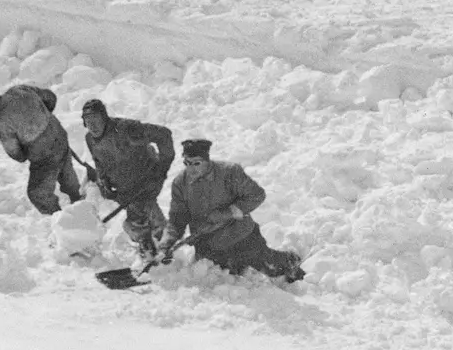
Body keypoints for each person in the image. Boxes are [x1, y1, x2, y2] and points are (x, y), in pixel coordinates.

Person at [161, 139, 305, 282]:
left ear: (207, 160)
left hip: (241, 236)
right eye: (187, 163)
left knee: (271, 268)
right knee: (217, 278)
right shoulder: (180, 183)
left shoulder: (230, 172)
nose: (191, 169)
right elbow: (177, 219)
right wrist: (167, 243)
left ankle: (291, 261)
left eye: (196, 163)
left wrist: (228, 213)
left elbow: (257, 195)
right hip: (209, 244)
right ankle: (238, 266)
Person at [0, 83, 81, 215]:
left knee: (37, 194)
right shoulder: (18, 90)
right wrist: (43, 117)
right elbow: (50, 97)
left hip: (43, 154)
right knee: (65, 170)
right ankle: (77, 199)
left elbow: (16, 154)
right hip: (58, 133)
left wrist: (29, 147)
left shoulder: (2, 123)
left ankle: (61, 220)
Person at [81, 98, 174, 257]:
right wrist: (104, 182)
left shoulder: (126, 129)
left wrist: (162, 168)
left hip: (147, 176)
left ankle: (163, 246)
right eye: (88, 121)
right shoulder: (90, 139)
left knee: (144, 206)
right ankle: (150, 247)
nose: (92, 126)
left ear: (104, 118)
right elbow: (99, 161)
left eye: (96, 120)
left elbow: (164, 134)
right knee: (136, 217)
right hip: (125, 185)